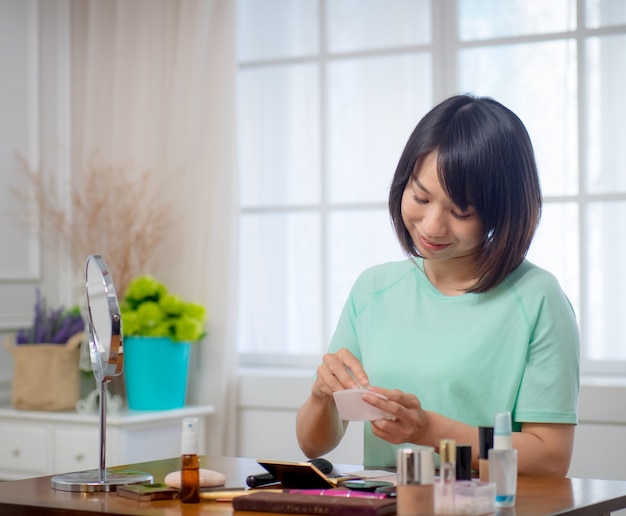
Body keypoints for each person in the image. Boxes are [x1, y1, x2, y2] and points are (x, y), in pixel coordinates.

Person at [295, 93, 580, 476]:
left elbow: (549, 458)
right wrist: (320, 395)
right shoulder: (374, 289)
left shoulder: (538, 299)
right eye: (420, 197)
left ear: (502, 212)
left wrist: (431, 431)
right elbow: (314, 443)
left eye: (460, 212)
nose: (431, 226)